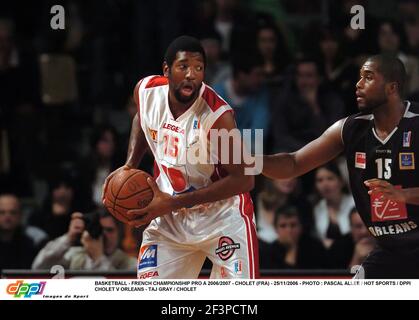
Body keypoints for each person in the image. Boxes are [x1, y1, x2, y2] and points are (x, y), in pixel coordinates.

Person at [102, 36, 257, 279]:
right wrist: (129, 165)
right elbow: (142, 119)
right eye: (183, 66)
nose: (191, 74)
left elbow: (245, 180)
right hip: (169, 217)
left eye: (198, 68)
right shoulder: (146, 91)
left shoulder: (218, 117)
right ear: (167, 69)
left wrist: (172, 203)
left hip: (221, 217)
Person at [262, 54, 419, 278]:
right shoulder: (349, 129)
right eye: (359, 77)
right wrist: (248, 160)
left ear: (391, 87)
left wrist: (403, 195)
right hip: (391, 250)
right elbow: (293, 163)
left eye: (368, 78)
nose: (358, 84)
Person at [32, 210, 136, 271]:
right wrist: (69, 238)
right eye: (99, 229)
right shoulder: (75, 256)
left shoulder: (130, 264)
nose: (103, 235)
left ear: (119, 234)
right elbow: (39, 267)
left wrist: (98, 258)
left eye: (109, 230)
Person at [259, 206, 327, 270]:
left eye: (293, 225)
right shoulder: (268, 252)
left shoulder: (315, 248)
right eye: (283, 226)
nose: (289, 230)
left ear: (301, 227)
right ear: (275, 228)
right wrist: (291, 249)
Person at [313, 163, 355, 248]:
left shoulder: (354, 203)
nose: (325, 184)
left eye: (330, 178)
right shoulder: (317, 208)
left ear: (341, 181)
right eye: (320, 180)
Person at [0, 194, 44, 270]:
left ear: (20, 216)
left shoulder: (29, 245)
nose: (7, 217)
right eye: (2, 212)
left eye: (13, 212)